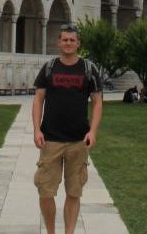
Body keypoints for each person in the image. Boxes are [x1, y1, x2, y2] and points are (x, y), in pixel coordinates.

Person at [32, 24, 102, 234]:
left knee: (74, 191)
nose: (69, 43)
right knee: (45, 191)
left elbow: (97, 102)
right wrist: (37, 129)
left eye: (72, 40)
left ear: (78, 43)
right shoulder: (49, 68)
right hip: (51, 139)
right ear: (59, 42)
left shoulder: (89, 69)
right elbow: (38, 100)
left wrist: (93, 132)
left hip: (78, 140)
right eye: (65, 40)